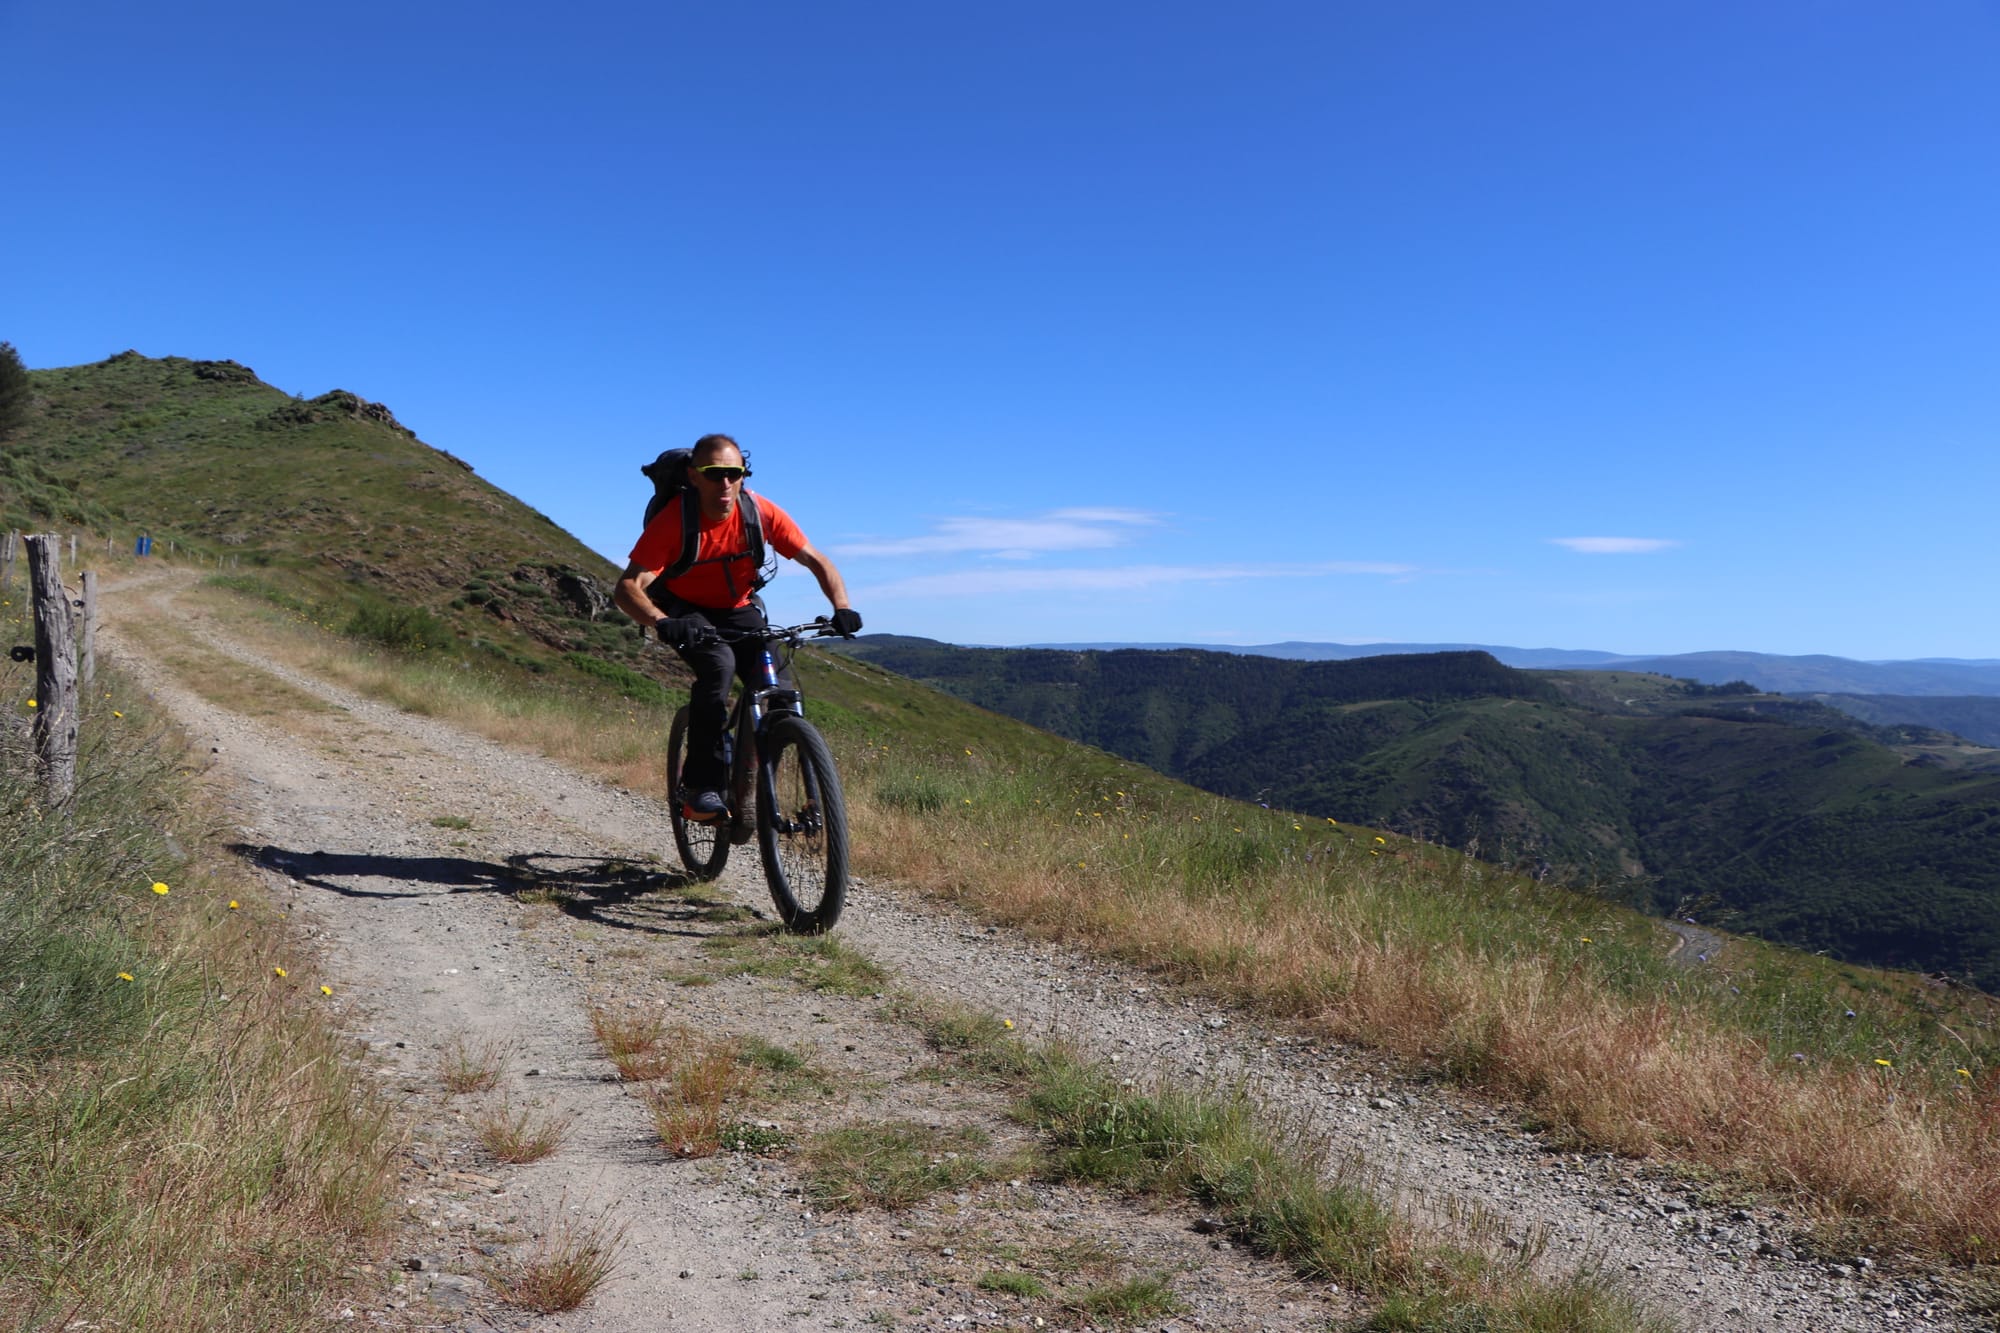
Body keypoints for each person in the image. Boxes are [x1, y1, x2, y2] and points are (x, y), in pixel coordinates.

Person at [612, 433, 861, 821]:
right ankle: (702, 786)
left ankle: (771, 786)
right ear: (694, 476)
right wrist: (662, 621)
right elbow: (628, 587)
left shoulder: (759, 512)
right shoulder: (675, 521)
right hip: (685, 608)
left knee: (780, 690)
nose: (725, 483)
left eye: (734, 473)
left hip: (738, 607)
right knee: (719, 669)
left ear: (743, 474)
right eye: (714, 473)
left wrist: (842, 607)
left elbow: (816, 560)